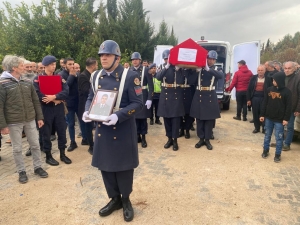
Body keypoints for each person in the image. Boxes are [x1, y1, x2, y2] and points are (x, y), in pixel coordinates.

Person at [82, 40, 143, 222]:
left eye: (107, 55)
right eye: (101, 55)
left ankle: (125, 200)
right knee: (106, 166)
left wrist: (119, 115)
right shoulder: (95, 76)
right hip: (103, 128)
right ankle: (114, 198)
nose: (103, 58)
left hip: (122, 127)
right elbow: (91, 97)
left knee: (124, 167)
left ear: (117, 57)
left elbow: (138, 104)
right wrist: (87, 110)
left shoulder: (130, 76)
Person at [0, 55, 48, 183]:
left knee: (35, 145)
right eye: (21, 65)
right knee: (17, 148)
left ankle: (38, 167)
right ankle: (21, 171)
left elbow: (35, 100)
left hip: (30, 119)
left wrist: (40, 117)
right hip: (13, 122)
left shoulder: (27, 81)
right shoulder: (2, 83)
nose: (24, 68)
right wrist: (3, 125)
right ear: (14, 67)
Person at [33, 55, 72, 166]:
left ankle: (62, 154)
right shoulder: (37, 79)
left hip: (58, 108)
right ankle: (48, 156)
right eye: (51, 64)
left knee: (61, 131)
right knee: (46, 133)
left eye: (54, 64)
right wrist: (50, 98)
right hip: (45, 109)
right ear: (45, 66)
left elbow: (66, 91)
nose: (53, 66)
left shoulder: (59, 78)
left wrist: (54, 97)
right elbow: (37, 93)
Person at [190, 50, 223, 150]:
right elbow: (191, 81)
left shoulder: (217, 69)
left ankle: (207, 139)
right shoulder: (199, 69)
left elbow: (220, 76)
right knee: (199, 119)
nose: (211, 61)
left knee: (209, 119)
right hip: (199, 94)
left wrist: (208, 69)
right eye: (209, 59)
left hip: (210, 94)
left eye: (213, 59)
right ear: (206, 58)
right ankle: (201, 138)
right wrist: (196, 71)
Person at [260, 72, 292, 163]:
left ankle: (278, 154)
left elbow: (288, 107)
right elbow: (265, 103)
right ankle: (265, 151)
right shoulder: (269, 89)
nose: (273, 82)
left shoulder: (287, 92)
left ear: (280, 80)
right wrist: (262, 115)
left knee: (279, 137)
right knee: (267, 136)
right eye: (273, 80)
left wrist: (286, 119)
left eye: (275, 80)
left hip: (279, 120)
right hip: (269, 118)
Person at [156, 52, 185, 151]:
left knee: (175, 120)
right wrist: (166, 67)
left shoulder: (179, 68)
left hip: (176, 95)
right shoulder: (162, 67)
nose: (166, 61)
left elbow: (182, 81)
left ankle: (175, 140)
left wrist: (178, 71)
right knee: (166, 120)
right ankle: (169, 139)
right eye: (165, 59)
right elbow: (158, 77)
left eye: (167, 59)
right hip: (165, 96)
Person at [130, 52, 154, 148]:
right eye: (133, 59)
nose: (134, 61)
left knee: (143, 119)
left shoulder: (146, 70)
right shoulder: (129, 70)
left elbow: (151, 86)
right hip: (133, 97)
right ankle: (137, 135)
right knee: (134, 118)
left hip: (143, 96)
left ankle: (143, 137)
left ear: (140, 60)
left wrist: (149, 99)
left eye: (136, 59)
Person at [59, 57, 80, 152]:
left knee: (82, 121)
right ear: (65, 65)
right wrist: (71, 76)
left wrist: (76, 76)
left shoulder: (77, 73)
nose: (72, 66)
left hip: (79, 102)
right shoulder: (61, 75)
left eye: (73, 64)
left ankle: (85, 138)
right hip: (69, 103)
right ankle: (72, 142)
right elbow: (66, 87)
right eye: (69, 64)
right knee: (71, 123)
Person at [78, 57, 98, 155]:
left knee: (93, 125)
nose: (97, 67)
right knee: (88, 126)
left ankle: (94, 143)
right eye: (97, 65)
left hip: (93, 103)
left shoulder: (92, 75)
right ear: (93, 65)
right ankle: (91, 145)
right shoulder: (83, 76)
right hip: (85, 103)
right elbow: (85, 90)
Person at [282, 61, 300, 150]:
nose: (287, 70)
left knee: (289, 126)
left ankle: (287, 144)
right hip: (280, 106)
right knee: (279, 125)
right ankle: (280, 142)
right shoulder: (281, 77)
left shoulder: (298, 78)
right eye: (285, 68)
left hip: (291, 107)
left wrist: (298, 108)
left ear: (294, 69)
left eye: (289, 68)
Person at [247, 65, 266, 133]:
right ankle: (257, 128)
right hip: (255, 97)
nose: (260, 72)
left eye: (262, 70)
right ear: (257, 71)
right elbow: (249, 89)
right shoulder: (253, 78)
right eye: (259, 70)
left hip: (264, 98)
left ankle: (264, 128)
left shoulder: (268, 78)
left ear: (264, 71)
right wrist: (248, 99)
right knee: (255, 113)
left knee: (263, 113)